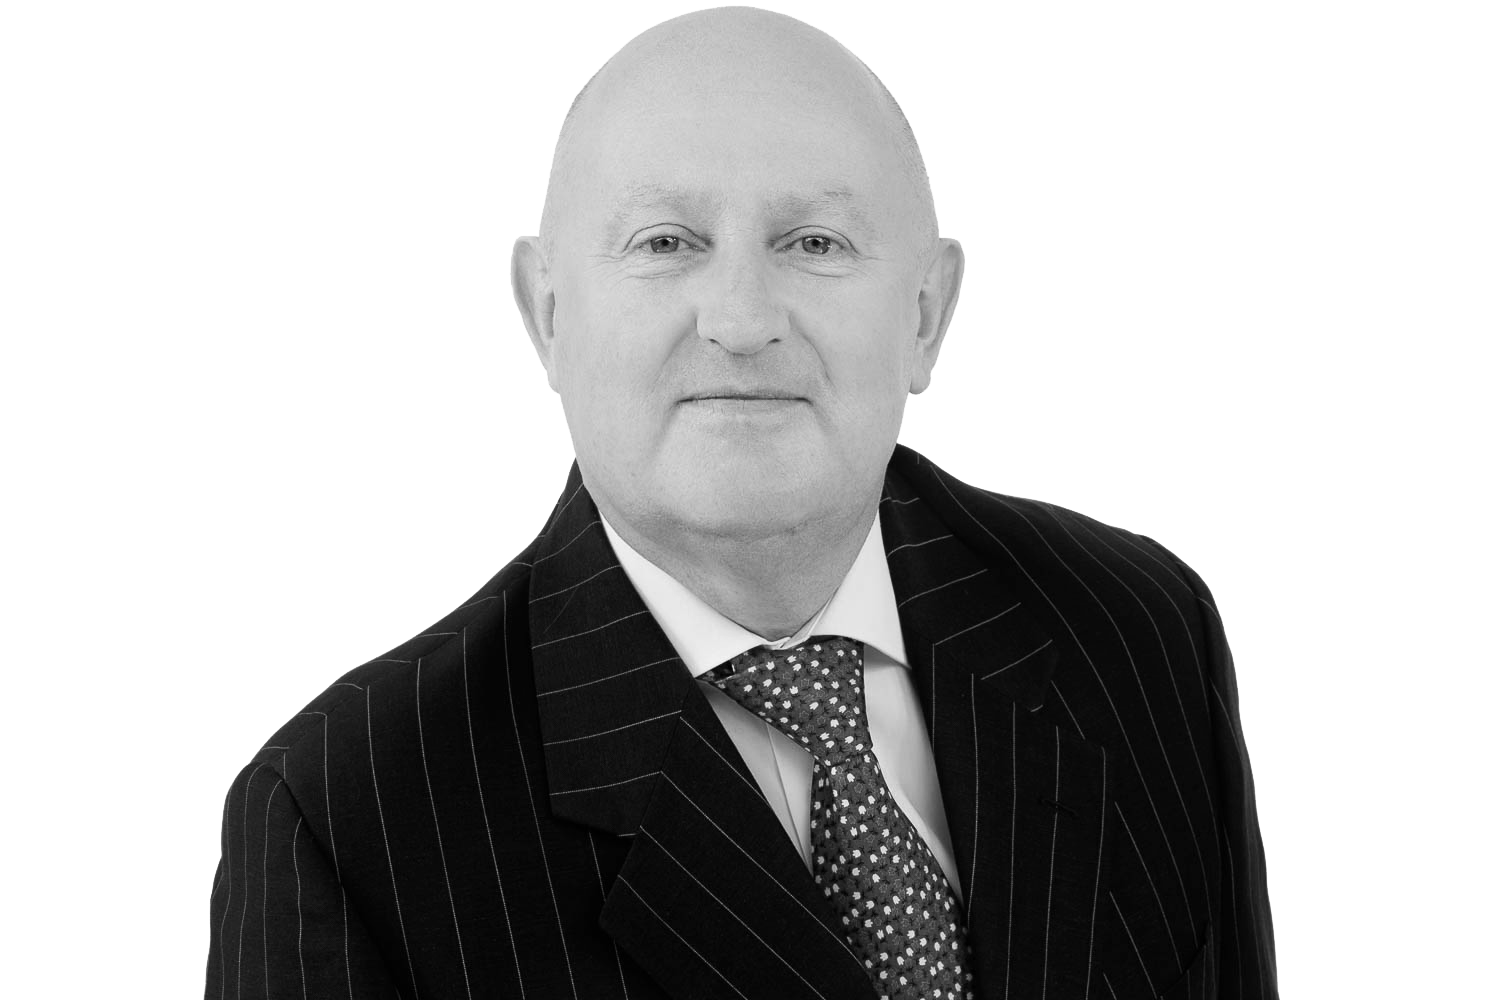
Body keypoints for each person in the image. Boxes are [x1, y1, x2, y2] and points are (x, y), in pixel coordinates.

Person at [204, 7, 1277, 998]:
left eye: (815, 243)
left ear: (926, 313)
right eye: (666, 243)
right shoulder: (349, 821)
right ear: (547, 315)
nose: (741, 318)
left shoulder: (1137, 631)